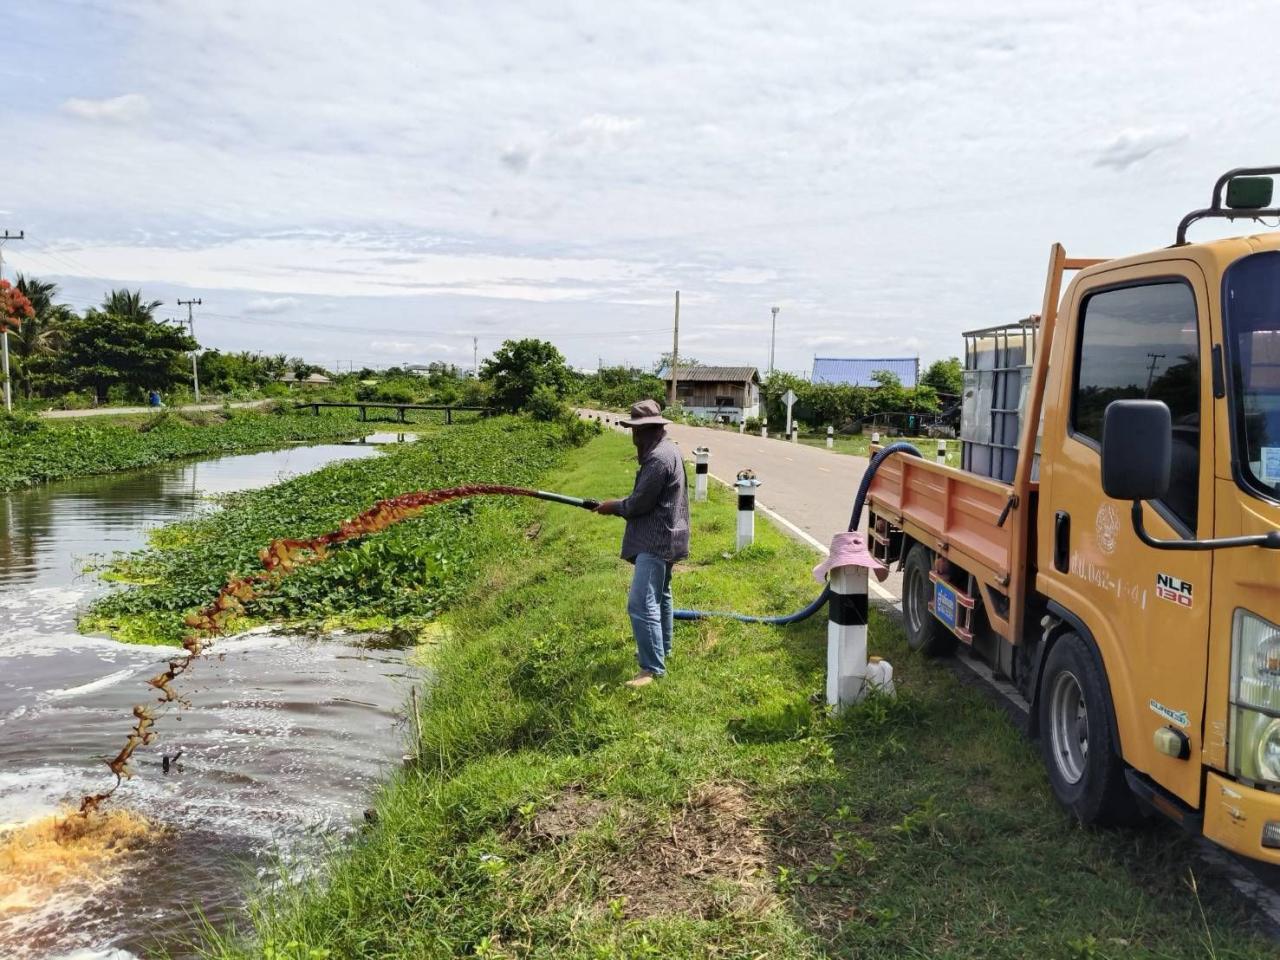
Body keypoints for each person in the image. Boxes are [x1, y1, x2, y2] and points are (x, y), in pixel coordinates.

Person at [595, 399, 690, 687]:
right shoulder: (668, 449)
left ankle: (651, 669)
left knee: (641, 603)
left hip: (656, 540)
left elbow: (638, 504)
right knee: (661, 596)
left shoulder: (658, 459)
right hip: (670, 534)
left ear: (649, 429)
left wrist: (612, 506)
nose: (633, 437)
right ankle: (663, 651)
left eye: (636, 430)